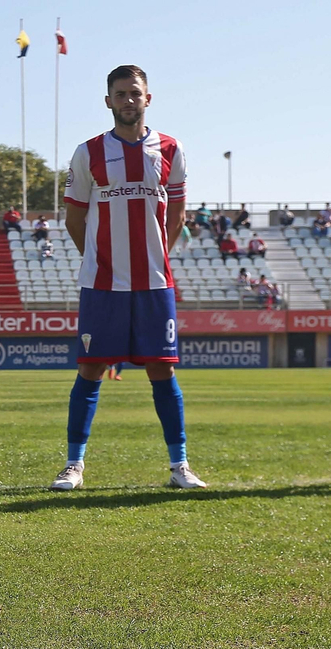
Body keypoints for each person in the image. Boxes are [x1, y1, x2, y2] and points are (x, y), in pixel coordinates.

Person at [54, 64, 207, 492]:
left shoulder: (171, 150)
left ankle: (180, 466)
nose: (127, 100)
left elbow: (176, 216)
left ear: (148, 98)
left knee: (163, 370)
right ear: (108, 101)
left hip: (155, 283)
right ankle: (74, 465)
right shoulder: (88, 152)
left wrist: (155, 256)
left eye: (134, 93)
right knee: (90, 367)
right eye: (120, 94)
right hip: (102, 283)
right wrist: (100, 259)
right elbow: (74, 217)